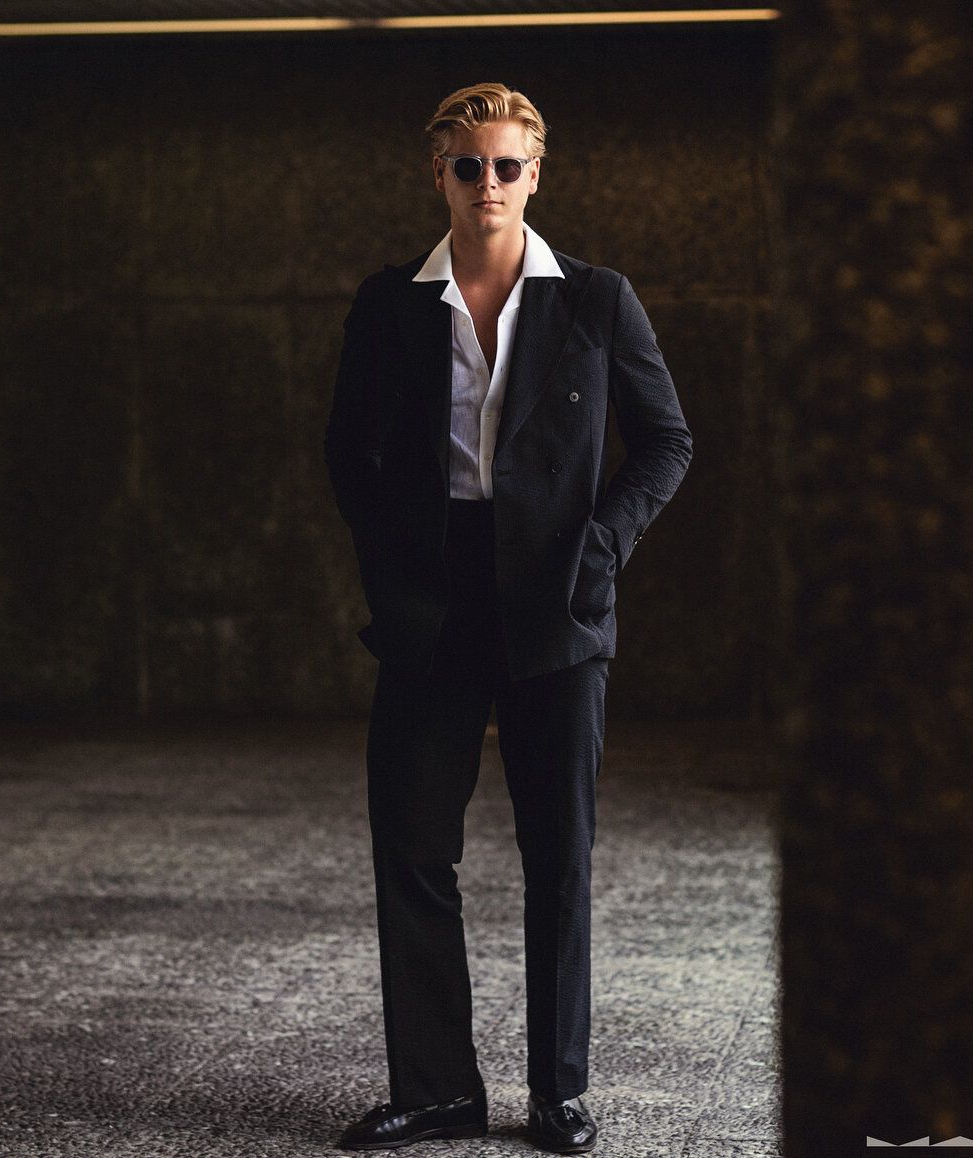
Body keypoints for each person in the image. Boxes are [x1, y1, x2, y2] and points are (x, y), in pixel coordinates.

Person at [325, 82, 692, 1153]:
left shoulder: (597, 299)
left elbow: (666, 441)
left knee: (558, 854)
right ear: (437, 174)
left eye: (506, 165)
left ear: (537, 175)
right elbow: (349, 450)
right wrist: (390, 565)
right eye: (467, 164)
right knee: (411, 846)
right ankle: (437, 1089)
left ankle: (557, 1093)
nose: (486, 183)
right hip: (432, 600)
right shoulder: (389, 302)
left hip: (557, 599)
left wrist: (602, 546)